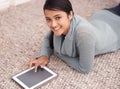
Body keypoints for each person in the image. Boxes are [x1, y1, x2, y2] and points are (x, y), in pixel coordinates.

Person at [29, 0, 120, 73]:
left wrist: (58, 54)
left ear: (70, 15)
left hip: (116, 25)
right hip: (102, 15)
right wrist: (44, 55)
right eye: (48, 19)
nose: (53, 25)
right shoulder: (60, 27)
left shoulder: (84, 33)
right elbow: (47, 39)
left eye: (58, 18)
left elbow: (84, 68)